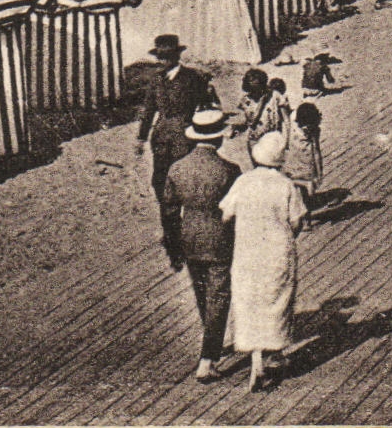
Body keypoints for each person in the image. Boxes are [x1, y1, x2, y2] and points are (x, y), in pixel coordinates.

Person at [220, 131, 306, 392]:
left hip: (248, 249)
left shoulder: (244, 182)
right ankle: (274, 352)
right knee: (277, 301)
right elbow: (296, 221)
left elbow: (225, 214)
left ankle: (255, 358)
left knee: (250, 300)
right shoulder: (286, 185)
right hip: (277, 251)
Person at [161, 109, 241, 383]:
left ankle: (211, 339)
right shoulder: (230, 170)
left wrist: (174, 247)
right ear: (218, 139)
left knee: (202, 292)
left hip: (189, 237)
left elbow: (169, 212)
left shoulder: (177, 168)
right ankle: (208, 358)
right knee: (219, 295)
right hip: (220, 239)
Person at [130, 34, 221, 267]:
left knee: (184, 184)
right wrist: (141, 138)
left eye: (166, 57)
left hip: (185, 138)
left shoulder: (192, 79)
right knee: (161, 186)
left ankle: (189, 237)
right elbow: (149, 109)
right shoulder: (156, 80)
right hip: (161, 140)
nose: (162, 61)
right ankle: (173, 241)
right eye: (159, 57)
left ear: (176, 56)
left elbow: (206, 106)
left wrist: (208, 129)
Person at [283, 101, 324, 217]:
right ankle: (306, 185)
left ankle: (307, 219)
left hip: (307, 163)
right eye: (305, 126)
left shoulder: (315, 131)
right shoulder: (292, 123)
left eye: (310, 126)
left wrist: (319, 171)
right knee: (293, 188)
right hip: (293, 160)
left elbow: (316, 151)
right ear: (299, 122)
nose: (307, 129)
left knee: (305, 196)